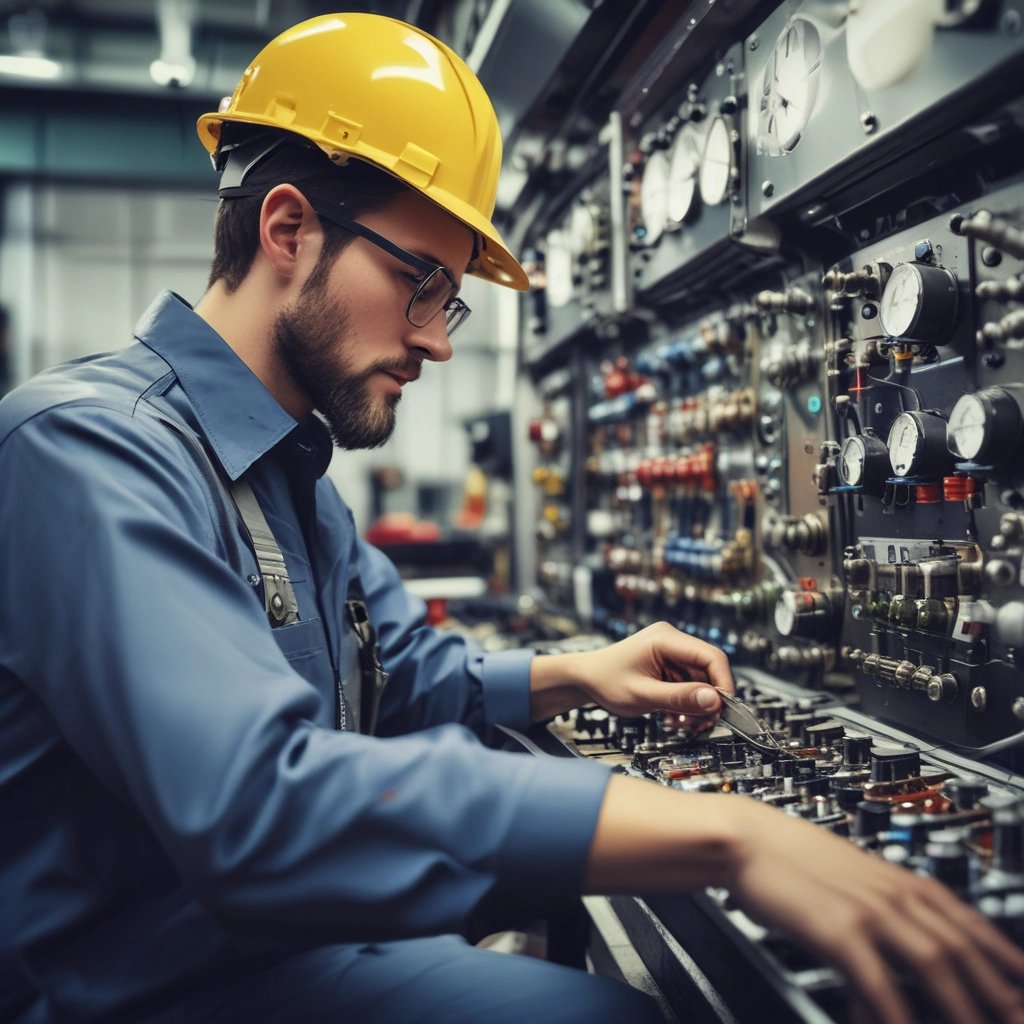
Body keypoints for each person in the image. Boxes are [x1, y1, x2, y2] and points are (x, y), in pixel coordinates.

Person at [0, 13, 1021, 1024]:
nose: (437, 343)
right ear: (286, 229)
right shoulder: (85, 451)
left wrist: (578, 671)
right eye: (418, 282)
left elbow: (395, 680)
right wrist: (727, 834)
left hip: (283, 937)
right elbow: (256, 805)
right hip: (161, 985)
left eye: (448, 300)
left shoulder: (295, 474)